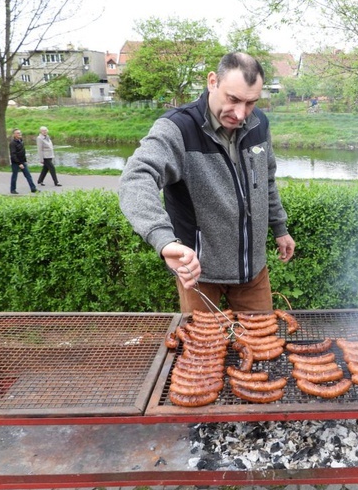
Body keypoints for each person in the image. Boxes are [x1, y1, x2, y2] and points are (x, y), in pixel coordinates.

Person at [119, 52, 296, 313]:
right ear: (212, 81)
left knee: (262, 348)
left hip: (253, 270)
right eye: (233, 99)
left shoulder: (259, 124)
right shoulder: (177, 128)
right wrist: (164, 240)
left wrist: (279, 227)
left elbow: (266, 180)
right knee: (201, 352)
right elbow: (136, 178)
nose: (240, 114)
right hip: (199, 275)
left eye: (251, 103)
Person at [8, 128, 38, 194]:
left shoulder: (21, 141)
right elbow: (13, 155)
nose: (20, 134)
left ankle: (33, 189)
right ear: (14, 135)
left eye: (20, 133)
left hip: (23, 162)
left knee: (28, 175)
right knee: (14, 176)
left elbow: (22, 152)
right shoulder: (12, 143)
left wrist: (24, 161)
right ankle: (12, 190)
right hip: (16, 163)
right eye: (18, 133)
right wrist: (19, 163)